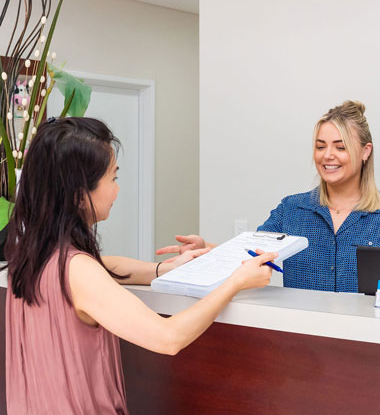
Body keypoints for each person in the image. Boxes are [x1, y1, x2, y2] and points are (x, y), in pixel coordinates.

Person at [5, 117, 276, 415]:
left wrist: (161, 270)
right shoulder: (77, 270)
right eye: (112, 177)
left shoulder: (29, 254)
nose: (117, 189)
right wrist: (233, 282)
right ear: (80, 191)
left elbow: (104, 265)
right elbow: (168, 338)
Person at [157, 100, 380, 293]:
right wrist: (206, 248)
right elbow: (250, 255)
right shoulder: (292, 209)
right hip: (300, 336)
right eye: (320, 147)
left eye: (340, 147)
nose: (327, 155)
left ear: (365, 151)